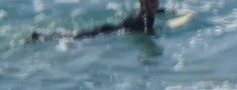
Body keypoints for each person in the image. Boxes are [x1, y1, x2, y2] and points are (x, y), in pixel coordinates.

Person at [28, 0, 160, 43]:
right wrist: (156, 35)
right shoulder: (148, 17)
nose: (157, 4)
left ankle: (44, 36)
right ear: (144, 4)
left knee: (76, 36)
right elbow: (148, 32)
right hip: (109, 32)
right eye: (154, 2)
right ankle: (42, 37)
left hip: (108, 28)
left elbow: (153, 14)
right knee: (75, 38)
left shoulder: (143, 12)